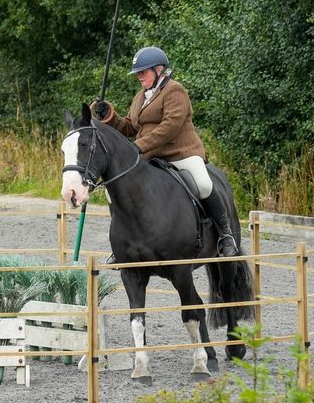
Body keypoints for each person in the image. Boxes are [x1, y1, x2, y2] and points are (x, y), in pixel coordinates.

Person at [91, 46, 237, 256]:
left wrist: (138, 147)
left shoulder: (175, 90)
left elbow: (169, 127)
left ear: (159, 69)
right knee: (113, 190)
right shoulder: (140, 96)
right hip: (150, 155)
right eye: (138, 73)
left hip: (181, 152)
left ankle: (225, 235)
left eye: (144, 71)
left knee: (204, 184)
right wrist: (110, 117)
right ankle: (123, 243)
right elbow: (131, 127)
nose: (139, 76)